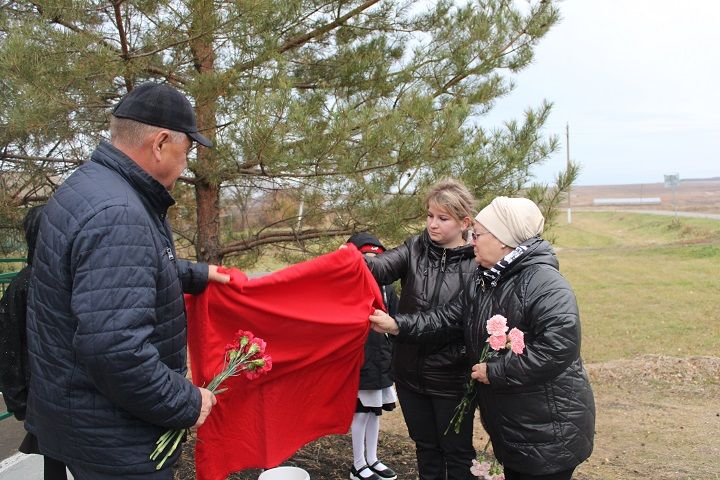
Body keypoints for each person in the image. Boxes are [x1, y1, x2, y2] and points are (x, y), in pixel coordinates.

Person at [24, 82, 230, 480]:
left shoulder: (88, 188)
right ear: (160, 142)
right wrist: (187, 402)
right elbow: (116, 349)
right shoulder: (120, 213)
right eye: (185, 152)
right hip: (115, 442)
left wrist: (198, 274)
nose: (185, 165)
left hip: (80, 424)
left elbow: (109, 278)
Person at [370, 196, 596, 480]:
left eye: (477, 234)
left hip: (548, 426)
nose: (471, 241)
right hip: (516, 423)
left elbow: (558, 347)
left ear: (503, 240)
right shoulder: (486, 279)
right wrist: (396, 325)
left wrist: (496, 370)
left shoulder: (545, 283)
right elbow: (446, 318)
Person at [362, 179, 478, 480]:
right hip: (410, 375)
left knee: (457, 452)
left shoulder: (477, 265)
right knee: (425, 448)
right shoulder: (415, 247)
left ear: (464, 221)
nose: (433, 225)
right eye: (429, 216)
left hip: (451, 378)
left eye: (442, 218)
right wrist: (356, 259)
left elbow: (450, 319)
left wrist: (397, 324)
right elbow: (382, 267)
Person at [0, 205, 68, 480]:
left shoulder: (23, 284)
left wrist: (19, 400)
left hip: (46, 396)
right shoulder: (30, 285)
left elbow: (8, 346)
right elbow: (9, 346)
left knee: (55, 462)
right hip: (52, 394)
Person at [346, 233, 400, 480]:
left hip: (382, 358)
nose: (371, 262)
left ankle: (372, 458)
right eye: (365, 257)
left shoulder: (387, 284)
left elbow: (397, 318)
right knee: (360, 411)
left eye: (376, 258)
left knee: (374, 411)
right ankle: (358, 465)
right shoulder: (349, 285)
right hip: (361, 358)